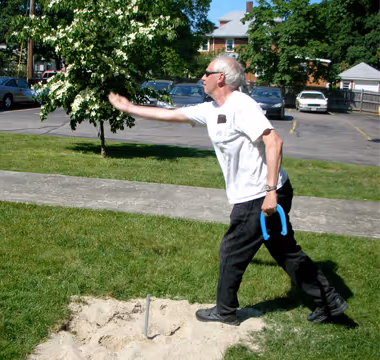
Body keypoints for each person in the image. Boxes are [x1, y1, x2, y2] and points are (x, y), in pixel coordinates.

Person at [108, 56, 348, 326]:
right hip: (262, 192)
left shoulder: (241, 106)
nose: (202, 77)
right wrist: (129, 108)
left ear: (220, 77)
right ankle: (329, 301)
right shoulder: (212, 109)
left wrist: (270, 192)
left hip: (260, 194)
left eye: (206, 73)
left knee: (231, 250)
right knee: (285, 251)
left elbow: (274, 141)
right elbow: (171, 115)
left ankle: (225, 311)